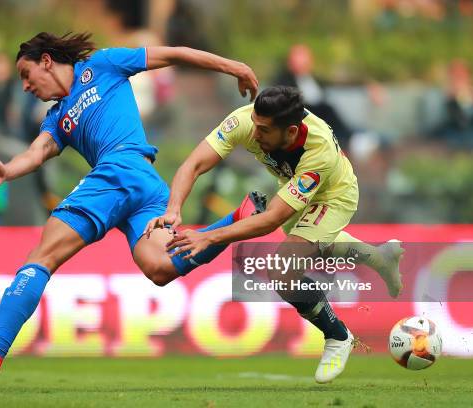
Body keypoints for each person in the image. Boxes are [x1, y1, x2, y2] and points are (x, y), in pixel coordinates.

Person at [0, 31, 259, 383]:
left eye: (26, 76)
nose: (26, 87)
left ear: (46, 61)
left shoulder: (103, 64)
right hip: (144, 183)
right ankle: (237, 219)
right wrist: (8, 171)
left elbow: (174, 54)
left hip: (118, 170)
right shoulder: (57, 116)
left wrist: (234, 67)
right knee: (160, 267)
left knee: (41, 257)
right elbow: (38, 151)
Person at [145, 86, 404, 383]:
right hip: (291, 186)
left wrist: (208, 236)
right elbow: (193, 164)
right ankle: (380, 256)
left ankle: (338, 335)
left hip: (334, 197)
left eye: (264, 130)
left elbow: (269, 220)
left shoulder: (318, 151)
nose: (255, 135)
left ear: (292, 132)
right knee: (309, 245)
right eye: (255, 125)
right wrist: (173, 209)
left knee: (282, 270)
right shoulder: (247, 121)